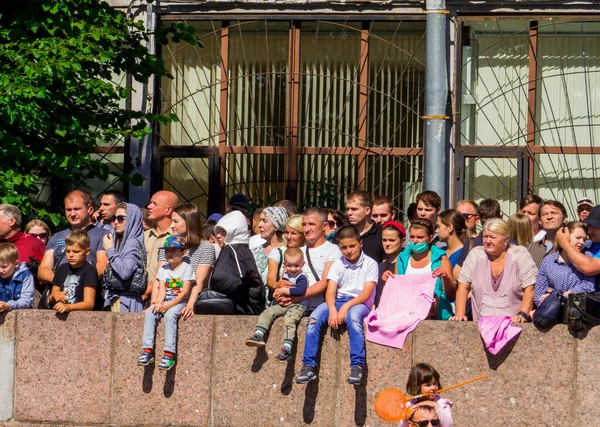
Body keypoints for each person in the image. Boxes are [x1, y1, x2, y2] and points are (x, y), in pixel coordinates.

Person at [296, 226, 378, 386]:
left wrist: (346, 307)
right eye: (344, 247)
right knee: (313, 319)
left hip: (360, 302)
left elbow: (366, 293)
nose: (348, 251)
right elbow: (330, 291)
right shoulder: (337, 264)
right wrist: (333, 310)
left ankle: (357, 365)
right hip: (339, 300)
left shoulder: (370, 264)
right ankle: (308, 366)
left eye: (352, 246)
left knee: (354, 318)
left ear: (360, 244)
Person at [450, 218, 538, 323]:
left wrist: (523, 313)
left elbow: (530, 288)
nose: (488, 241)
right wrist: (460, 314)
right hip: (481, 325)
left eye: (492, 237)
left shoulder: (519, 254)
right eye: (485, 237)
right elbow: (463, 287)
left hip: (513, 325)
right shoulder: (476, 255)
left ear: (506, 240)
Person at [39, 190, 109, 309]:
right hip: (59, 297)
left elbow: (102, 266)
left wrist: (79, 281)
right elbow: (43, 270)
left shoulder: (102, 234)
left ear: (90, 210)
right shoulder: (57, 236)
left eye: (77, 209)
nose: (72, 214)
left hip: (87, 296)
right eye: (68, 210)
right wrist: (62, 282)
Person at [138, 235, 193, 371]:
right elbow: (162, 290)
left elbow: (184, 292)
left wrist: (168, 306)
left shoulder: (187, 268)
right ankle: (147, 350)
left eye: (174, 250)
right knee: (151, 313)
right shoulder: (163, 269)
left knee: (170, 316)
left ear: (183, 252)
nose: (169, 253)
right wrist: (157, 303)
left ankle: (169, 354)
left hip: (179, 302)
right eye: (167, 250)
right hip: (166, 301)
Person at [274, 208, 341, 315]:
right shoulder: (297, 251)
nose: (307, 229)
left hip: (317, 310)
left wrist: (297, 297)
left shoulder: (333, 250)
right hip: (291, 308)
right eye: (304, 224)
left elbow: (325, 283)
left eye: (311, 224)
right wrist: (279, 294)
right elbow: (284, 279)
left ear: (325, 226)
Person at [246, 248, 309, 361]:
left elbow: (300, 290)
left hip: (298, 306)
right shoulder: (285, 275)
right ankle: (259, 334)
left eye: (296, 266)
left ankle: (287, 348)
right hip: (283, 305)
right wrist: (277, 292)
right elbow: (279, 288)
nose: (293, 269)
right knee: (267, 312)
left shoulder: (301, 277)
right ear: (284, 265)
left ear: (303, 264)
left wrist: (283, 291)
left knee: (290, 321)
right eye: (289, 266)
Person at [155, 203, 215, 320]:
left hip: (190, 301)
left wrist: (190, 305)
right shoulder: (166, 244)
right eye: (171, 221)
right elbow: (158, 277)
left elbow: (198, 282)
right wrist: (154, 303)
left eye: (176, 221)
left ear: (189, 222)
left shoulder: (205, 247)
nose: (171, 225)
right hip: (165, 298)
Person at [385, 219, 455, 320]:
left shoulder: (441, 258)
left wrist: (446, 278)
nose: (415, 241)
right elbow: (397, 292)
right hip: (406, 313)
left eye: (420, 237)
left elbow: (451, 295)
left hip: (436, 315)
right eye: (412, 237)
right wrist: (389, 280)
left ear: (430, 238)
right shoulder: (402, 258)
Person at [199, 210, 265, 315]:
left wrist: (215, 289)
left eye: (223, 232)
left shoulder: (232, 249)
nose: (219, 236)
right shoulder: (239, 248)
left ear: (234, 232)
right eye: (218, 232)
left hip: (245, 309)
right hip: (250, 307)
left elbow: (224, 279)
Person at [534, 221, 596, 307]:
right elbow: (539, 295)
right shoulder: (548, 261)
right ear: (565, 237)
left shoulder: (588, 257)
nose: (582, 242)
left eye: (584, 239)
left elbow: (588, 287)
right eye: (578, 238)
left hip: (577, 310)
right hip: (552, 313)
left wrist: (559, 296)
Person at [101, 203, 146, 312]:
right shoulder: (122, 242)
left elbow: (125, 272)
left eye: (120, 218)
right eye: (114, 218)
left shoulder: (132, 243)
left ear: (132, 220)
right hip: (118, 299)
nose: (115, 222)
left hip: (126, 301)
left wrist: (110, 250)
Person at [49, 230, 98, 314]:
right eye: (68, 251)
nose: (70, 255)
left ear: (87, 252)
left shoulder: (90, 270)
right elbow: (51, 298)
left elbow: (89, 303)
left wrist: (69, 307)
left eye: (76, 251)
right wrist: (56, 295)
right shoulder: (61, 268)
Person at [145, 190, 179, 293]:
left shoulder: (177, 238)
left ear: (168, 210)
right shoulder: (144, 236)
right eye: (150, 203)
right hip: (137, 296)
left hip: (164, 298)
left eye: (154, 203)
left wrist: (150, 292)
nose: (149, 206)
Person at [399, 363, 453, 427]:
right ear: (417, 387)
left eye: (435, 384)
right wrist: (405, 420)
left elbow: (447, 425)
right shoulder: (409, 405)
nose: (433, 388)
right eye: (428, 385)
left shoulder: (442, 403)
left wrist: (436, 405)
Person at [265, 214, 305, 297]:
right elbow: (270, 280)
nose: (288, 237)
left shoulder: (307, 252)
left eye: (293, 233)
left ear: (303, 235)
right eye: (286, 232)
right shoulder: (277, 252)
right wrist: (278, 285)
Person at [556, 204, 600, 275]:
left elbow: (589, 268)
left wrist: (565, 244)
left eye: (595, 227)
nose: (589, 231)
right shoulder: (590, 243)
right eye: (589, 226)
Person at [251, 207, 288, 290]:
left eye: (265, 221)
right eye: (260, 220)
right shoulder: (255, 250)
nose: (259, 225)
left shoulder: (286, 252)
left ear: (276, 225)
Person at [527, 200, 567, 268]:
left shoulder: (572, 245)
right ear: (539, 221)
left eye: (554, 213)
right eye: (545, 214)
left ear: (564, 218)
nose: (549, 217)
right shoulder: (530, 248)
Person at [374, 221, 406, 307]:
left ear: (402, 240)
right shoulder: (379, 266)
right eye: (384, 240)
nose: (387, 244)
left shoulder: (406, 265)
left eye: (392, 240)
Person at [346, 191, 383, 262]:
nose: (349, 213)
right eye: (348, 209)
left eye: (354, 209)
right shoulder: (343, 233)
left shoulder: (381, 234)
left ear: (367, 210)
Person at [0, 243, 34, 311]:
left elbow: (27, 300)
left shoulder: (25, 275)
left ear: (16, 264)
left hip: (21, 312)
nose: (0, 270)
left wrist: (9, 305)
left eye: (4, 267)